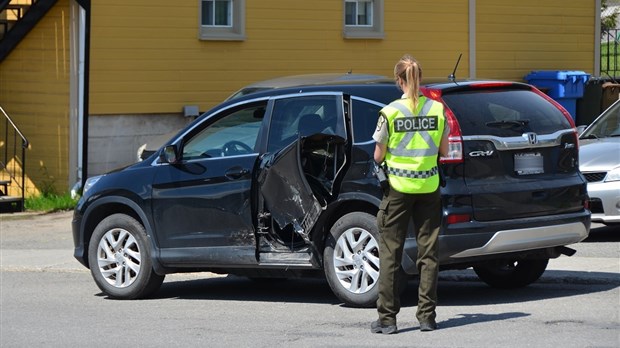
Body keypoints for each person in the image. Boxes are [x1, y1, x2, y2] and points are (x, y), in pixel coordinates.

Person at [370, 54, 449, 334]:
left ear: (398, 81)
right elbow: (444, 152)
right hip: (429, 187)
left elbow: (378, 156)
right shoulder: (438, 111)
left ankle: (387, 320)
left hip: (398, 191)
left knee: (391, 253)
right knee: (428, 254)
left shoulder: (389, 113)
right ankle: (427, 317)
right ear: (420, 78)